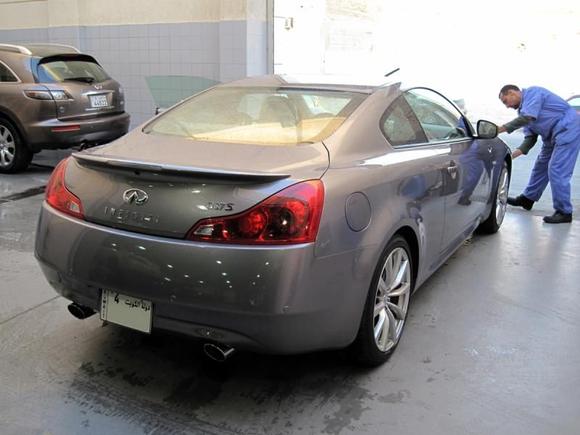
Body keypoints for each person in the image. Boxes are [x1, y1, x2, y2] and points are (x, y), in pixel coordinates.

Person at [497, 84, 580, 223]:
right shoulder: (522, 112)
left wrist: (499, 129)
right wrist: (510, 157)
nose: (507, 106)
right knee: (540, 166)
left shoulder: (533, 93)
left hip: (568, 128)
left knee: (557, 169)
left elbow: (528, 118)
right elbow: (529, 139)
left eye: (505, 101)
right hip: (551, 137)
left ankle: (564, 211)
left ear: (512, 93)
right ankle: (528, 199)